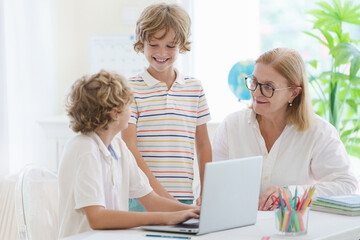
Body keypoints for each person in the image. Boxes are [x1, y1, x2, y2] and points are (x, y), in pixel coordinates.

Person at [212, 48, 359, 211]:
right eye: (254, 82)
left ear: (294, 93)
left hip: (292, 231)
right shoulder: (231, 125)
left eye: (268, 87)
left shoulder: (319, 132)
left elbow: (347, 185)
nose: (256, 93)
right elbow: (210, 185)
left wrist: (293, 193)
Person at [58, 70, 199, 238]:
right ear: (115, 112)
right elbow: (97, 218)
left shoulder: (118, 147)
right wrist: (165, 218)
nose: (132, 109)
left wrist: (196, 211)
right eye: (129, 104)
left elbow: (152, 201)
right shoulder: (84, 148)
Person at [122, 3, 212, 211]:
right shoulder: (130, 89)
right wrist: (162, 198)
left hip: (184, 198)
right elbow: (129, 147)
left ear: (181, 46)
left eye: (170, 46)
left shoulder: (194, 88)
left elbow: (203, 144)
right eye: (154, 44)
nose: (162, 52)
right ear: (142, 43)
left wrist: (206, 191)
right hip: (143, 198)